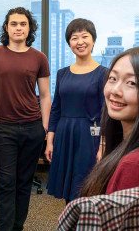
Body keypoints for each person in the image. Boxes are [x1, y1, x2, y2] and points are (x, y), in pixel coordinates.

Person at [0, 7, 51, 231]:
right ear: (6, 27)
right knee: (7, 183)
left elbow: (46, 96)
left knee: (23, 184)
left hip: (32, 128)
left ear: (29, 28)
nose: (18, 28)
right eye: (14, 24)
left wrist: (45, 129)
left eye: (23, 24)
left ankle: (17, 227)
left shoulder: (39, 57)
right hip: (5, 128)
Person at [80, 46, 139, 196]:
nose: (115, 91)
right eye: (113, 78)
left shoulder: (137, 165)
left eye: (131, 83)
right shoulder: (137, 148)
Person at [45, 18, 107, 203]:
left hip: (89, 136)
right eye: (74, 38)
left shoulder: (103, 73)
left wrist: (103, 145)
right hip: (65, 134)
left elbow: (106, 112)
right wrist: (49, 141)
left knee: (85, 185)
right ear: (69, 43)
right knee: (68, 188)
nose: (80, 42)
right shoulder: (62, 73)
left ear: (93, 40)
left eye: (84, 36)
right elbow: (56, 108)